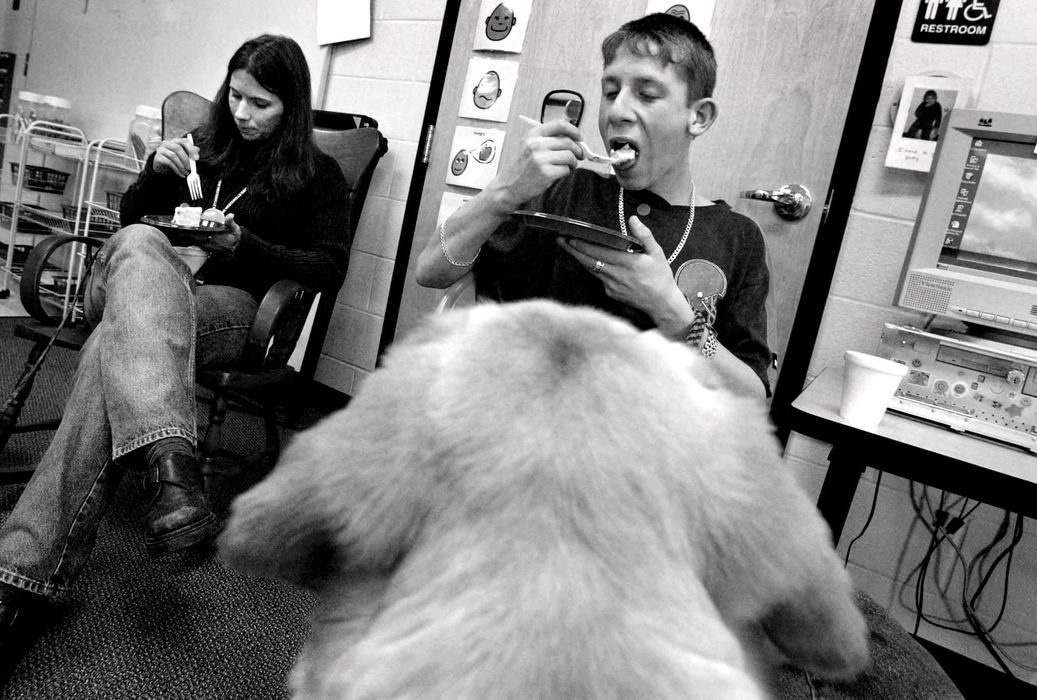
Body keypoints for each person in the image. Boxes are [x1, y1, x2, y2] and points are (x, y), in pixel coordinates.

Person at [0, 34, 351, 665]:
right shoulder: (200, 147)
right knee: (137, 240)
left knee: (117, 343)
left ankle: (17, 576)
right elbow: (128, 229)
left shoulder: (315, 177)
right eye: (236, 96)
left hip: (222, 305)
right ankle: (171, 452)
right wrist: (151, 178)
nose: (243, 114)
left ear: (291, 107)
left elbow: (328, 268)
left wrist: (242, 246)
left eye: (262, 104)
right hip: (134, 283)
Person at [417, 13, 770, 399]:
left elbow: (750, 395)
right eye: (610, 90)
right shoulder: (559, 191)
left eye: (647, 94)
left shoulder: (737, 237)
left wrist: (672, 313)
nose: (617, 111)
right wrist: (503, 191)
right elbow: (431, 271)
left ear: (698, 117)